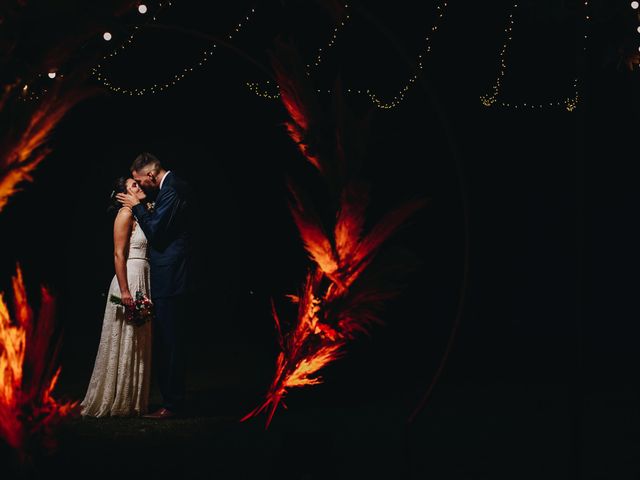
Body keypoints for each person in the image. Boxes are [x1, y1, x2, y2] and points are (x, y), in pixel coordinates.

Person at [116, 152, 197, 419]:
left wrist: (137, 205)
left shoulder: (172, 189)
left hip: (172, 275)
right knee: (167, 340)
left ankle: (172, 404)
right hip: (166, 274)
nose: (139, 187)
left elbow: (156, 232)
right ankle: (171, 400)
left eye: (140, 181)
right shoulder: (168, 189)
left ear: (151, 175)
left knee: (170, 341)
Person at [80, 177, 153, 417]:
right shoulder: (125, 214)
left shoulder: (141, 213)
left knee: (138, 339)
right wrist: (124, 291)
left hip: (143, 275)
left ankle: (133, 400)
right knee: (126, 336)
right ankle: (117, 398)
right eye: (134, 185)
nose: (139, 187)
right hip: (129, 278)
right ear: (122, 195)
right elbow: (118, 255)